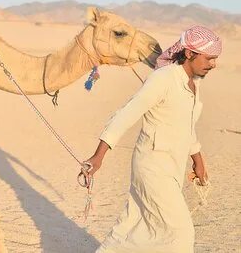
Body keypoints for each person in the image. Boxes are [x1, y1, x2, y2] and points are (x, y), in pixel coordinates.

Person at [83, 26, 222, 252]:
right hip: (152, 166)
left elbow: (186, 125)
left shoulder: (194, 83)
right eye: (209, 58)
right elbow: (126, 114)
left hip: (173, 166)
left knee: (137, 226)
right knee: (181, 231)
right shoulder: (164, 79)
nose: (213, 64)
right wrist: (98, 156)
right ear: (189, 53)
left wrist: (198, 160)